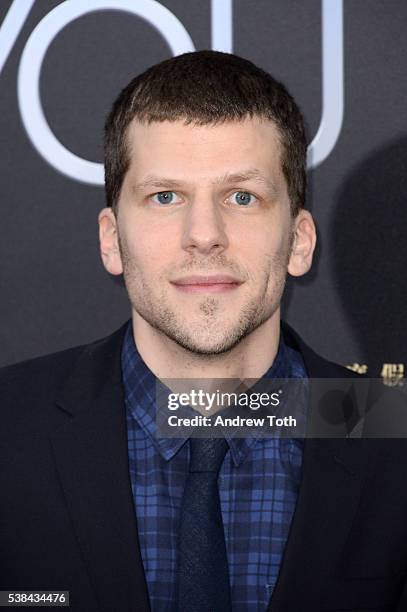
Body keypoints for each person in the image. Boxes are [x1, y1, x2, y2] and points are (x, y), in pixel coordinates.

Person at [1, 50, 407, 612]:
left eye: (242, 197)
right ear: (111, 240)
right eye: (165, 197)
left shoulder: (394, 437)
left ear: (300, 241)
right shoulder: (8, 427)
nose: (204, 235)